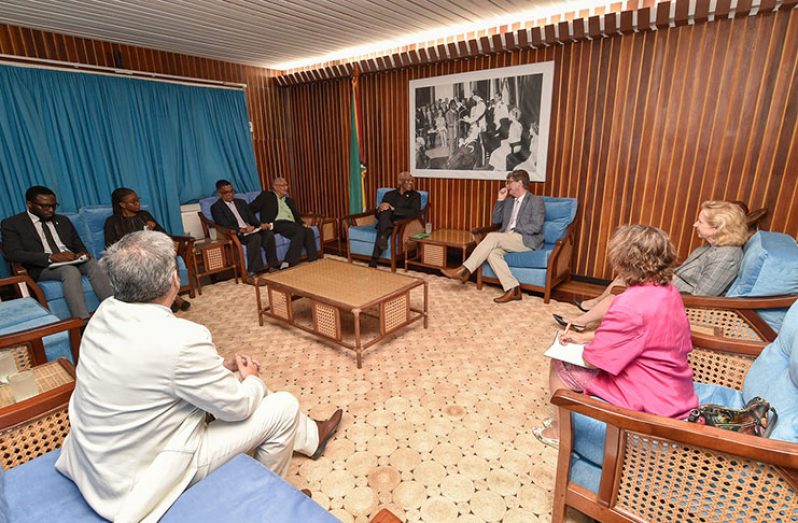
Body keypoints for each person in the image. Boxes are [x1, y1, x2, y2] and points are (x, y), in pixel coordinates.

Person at [55, 230, 343, 522]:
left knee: (234, 381)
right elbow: (237, 409)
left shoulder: (104, 313)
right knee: (283, 406)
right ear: (173, 280)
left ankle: (310, 436)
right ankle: (269, 503)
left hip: (99, 461)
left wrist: (220, 368)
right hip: (140, 478)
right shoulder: (182, 337)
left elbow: (153, 371)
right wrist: (253, 378)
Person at [534, 225, 698, 447]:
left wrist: (580, 348)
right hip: (672, 385)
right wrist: (584, 337)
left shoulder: (629, 305)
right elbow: (637, 336)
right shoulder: (667, 291)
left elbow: (594, 360)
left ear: (624, 260)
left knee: (561, 364)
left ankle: (562, 432)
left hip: (647, 396)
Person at [556, 200, 748, 330]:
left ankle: (583, 319)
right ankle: (592, 310)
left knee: (625, 290)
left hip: (689, 306)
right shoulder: (713, 246)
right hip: (675, 291)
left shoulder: (727, 256)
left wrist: (664, 275)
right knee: (628, 275)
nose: (695, 225)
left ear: (717, 228)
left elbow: (701, 297)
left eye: (700, 222)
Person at [1, 185, 113, 319]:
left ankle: (113, 311)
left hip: (71, 260)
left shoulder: (63, 220)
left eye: (54, 206)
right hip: (43, 266)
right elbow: (12, 254)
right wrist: (51, 257)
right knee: (70, 271)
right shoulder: (12, 223)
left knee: (93, 263)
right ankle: (82, 321)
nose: (50, 210)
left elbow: (78, 245)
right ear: (29, 204)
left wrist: (81, 254)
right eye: (44, 206)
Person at [441, 169, 545, 303]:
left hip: (525, 239)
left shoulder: (536, 201)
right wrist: (500, 200)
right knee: (492, 254)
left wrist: (514, 229)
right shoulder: (508, 202)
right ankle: (514, 289)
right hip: (507, 239)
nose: (507, 186)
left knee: (492, 236)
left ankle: (465, 270)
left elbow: (536, 226)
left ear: (519, 183)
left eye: (509, 182)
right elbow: (496, 221)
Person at [104, 187, 190, 311]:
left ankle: (169, 297)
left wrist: (153, 229)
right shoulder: (112, 222)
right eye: (133, 202)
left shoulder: (144, 215)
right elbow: (110, 246)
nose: (137, 203)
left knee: (168, 255)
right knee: (145, 265)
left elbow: (164, 235)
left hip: (151, 251)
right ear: (122, 204)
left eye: (138, 200)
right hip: (130, 256)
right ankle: (174, 298)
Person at [210, 179, 279, 281]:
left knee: (268, 234)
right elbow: (223, 224)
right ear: (220, 193)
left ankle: (273, 266)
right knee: (255, 238)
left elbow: (251, 218)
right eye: (226, 192)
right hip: (236, 233)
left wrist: (260, 224)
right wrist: (241, 230)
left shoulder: (241, 202)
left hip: (250, 230)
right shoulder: (216, 207)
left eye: (231, 191)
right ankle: (252, 272)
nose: (230, 194)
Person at [248, 177, 318, 269]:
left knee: (308, 231)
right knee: (299, 231)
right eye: (282, 185)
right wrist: (257, 224)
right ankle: (288, 262)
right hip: (277, 223)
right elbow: (249, 209)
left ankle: (313, 260)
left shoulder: (289, 200)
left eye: (286, 185)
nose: (286, 188)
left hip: (291, 224)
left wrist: (302, 223)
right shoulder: (266, 196)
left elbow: (296, 216)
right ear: (275, 187)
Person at [369, 171, 422, 268]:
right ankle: (383, 235)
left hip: (401, 225)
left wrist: (393, 209)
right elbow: (377, 214)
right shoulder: (389, 194)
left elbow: (414, 213)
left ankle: (374, 260)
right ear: (400, 182)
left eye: (412, 181)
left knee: (386, 214)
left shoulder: (415, 196)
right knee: (385, 211)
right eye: (407, 181)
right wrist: (380, 207)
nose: (411, 183)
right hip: (388, 222)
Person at [488, 107, 523, 171]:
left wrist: (504, 142)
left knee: (497, 153)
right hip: (515, 145)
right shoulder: (518, 124)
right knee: (496, 152)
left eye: (509, 114)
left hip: (514, 147)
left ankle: (500, 170)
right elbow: (513, 138)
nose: (508, 116)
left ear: (513, 116)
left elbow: (513, 139)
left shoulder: (514, 125)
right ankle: (497, 170)